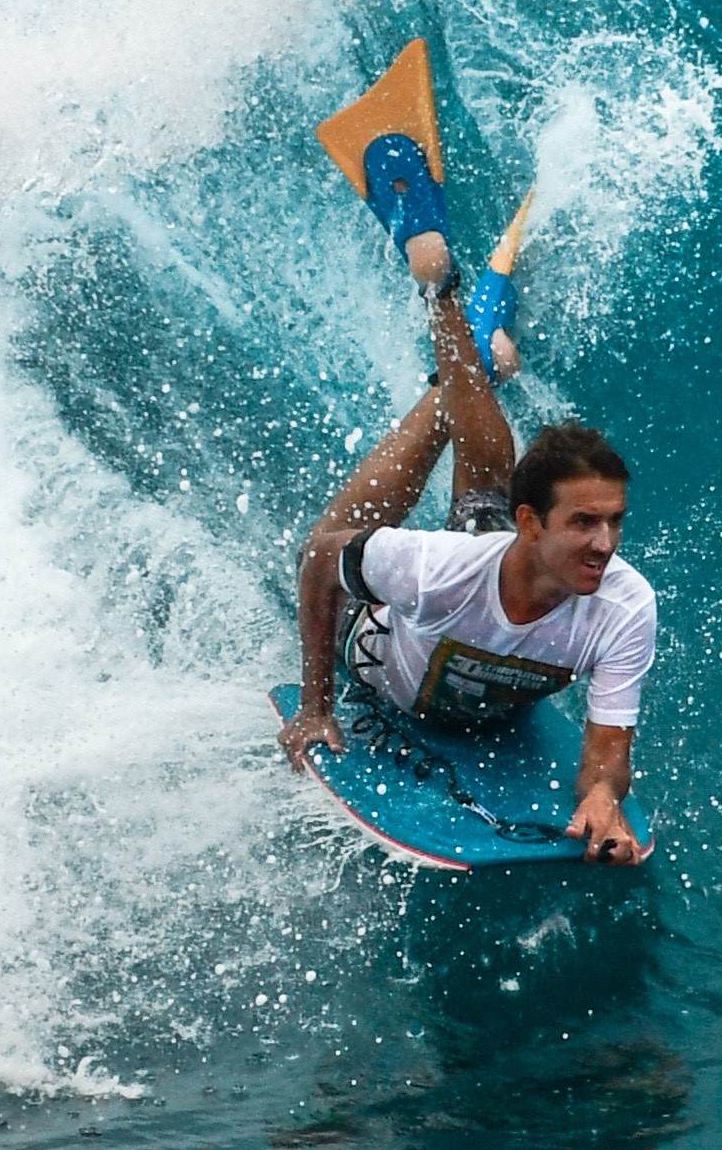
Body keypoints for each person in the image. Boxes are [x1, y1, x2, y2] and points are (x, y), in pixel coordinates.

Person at [280, 184, 654, 864]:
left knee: (479, 495)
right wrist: (316, 704)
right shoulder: (430, 566)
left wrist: (601, 797)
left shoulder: (625, 605)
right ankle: (445, 301)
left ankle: (480, 359)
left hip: (487, 559)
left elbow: (608, 748)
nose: (605, 544)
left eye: (614, 522)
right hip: (381, 643)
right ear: (533, 523)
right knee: (328, 535)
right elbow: (319, 565)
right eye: (583, 523)